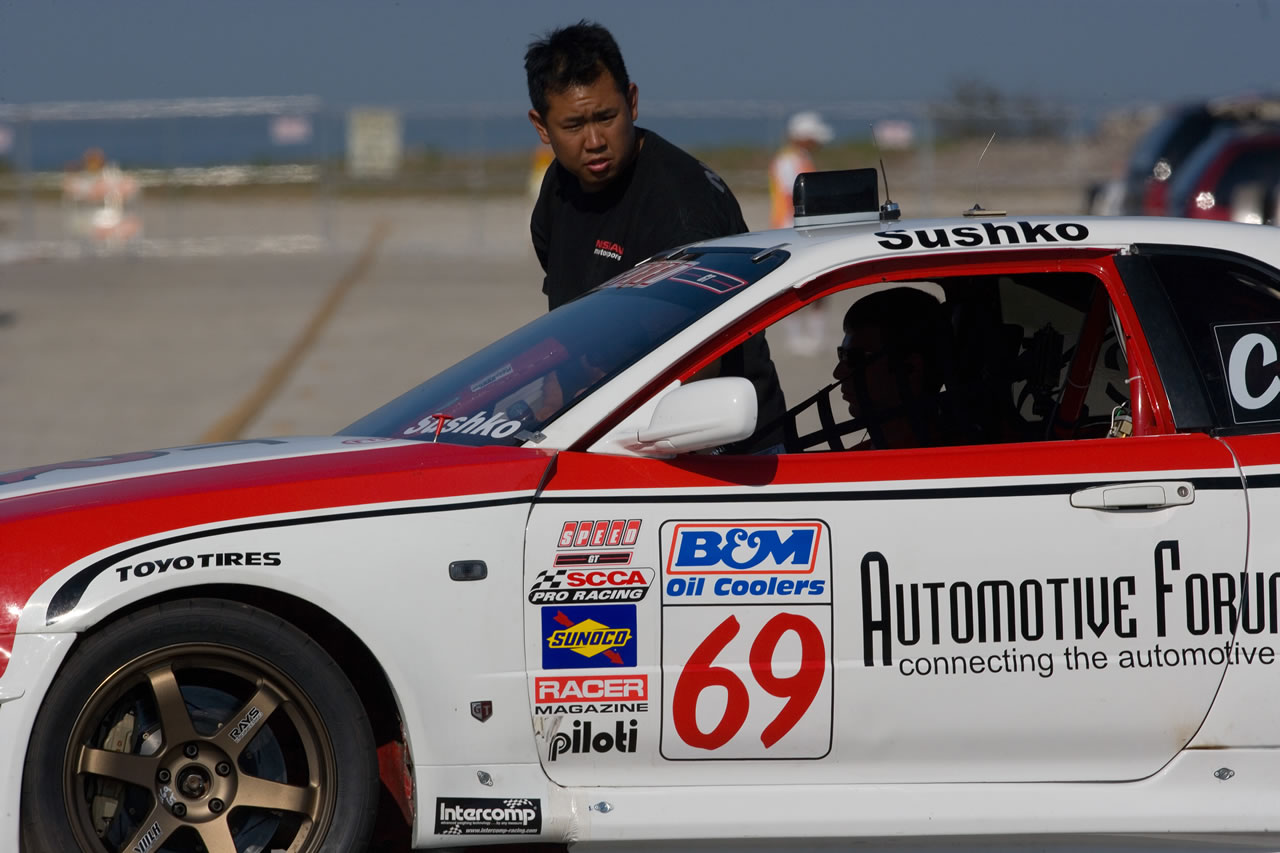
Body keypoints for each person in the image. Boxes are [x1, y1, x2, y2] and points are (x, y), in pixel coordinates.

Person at [524, 20, 786, 450]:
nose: (594, 140)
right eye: (573, 126)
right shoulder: (559, 187)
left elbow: (696, 368)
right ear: (542, 127)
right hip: (601, 428)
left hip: (717, 447)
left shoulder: (681, 205)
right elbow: (565, 327)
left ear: (632, 101)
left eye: (606, 117)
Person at [833, 287, 976, 450]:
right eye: (841, 355)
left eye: (855, 358)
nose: (838, 373)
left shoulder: (940, 460)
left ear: (911, 368)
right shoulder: (864, 455)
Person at [769, 111, 834, 356]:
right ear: (802, 137)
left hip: (805, 229)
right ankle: (796, 338)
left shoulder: (801, 157)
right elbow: (793, 197)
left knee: (820, 283)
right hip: (792, 230)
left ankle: (815, 337)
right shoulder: (787, 160)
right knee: (793, 285)